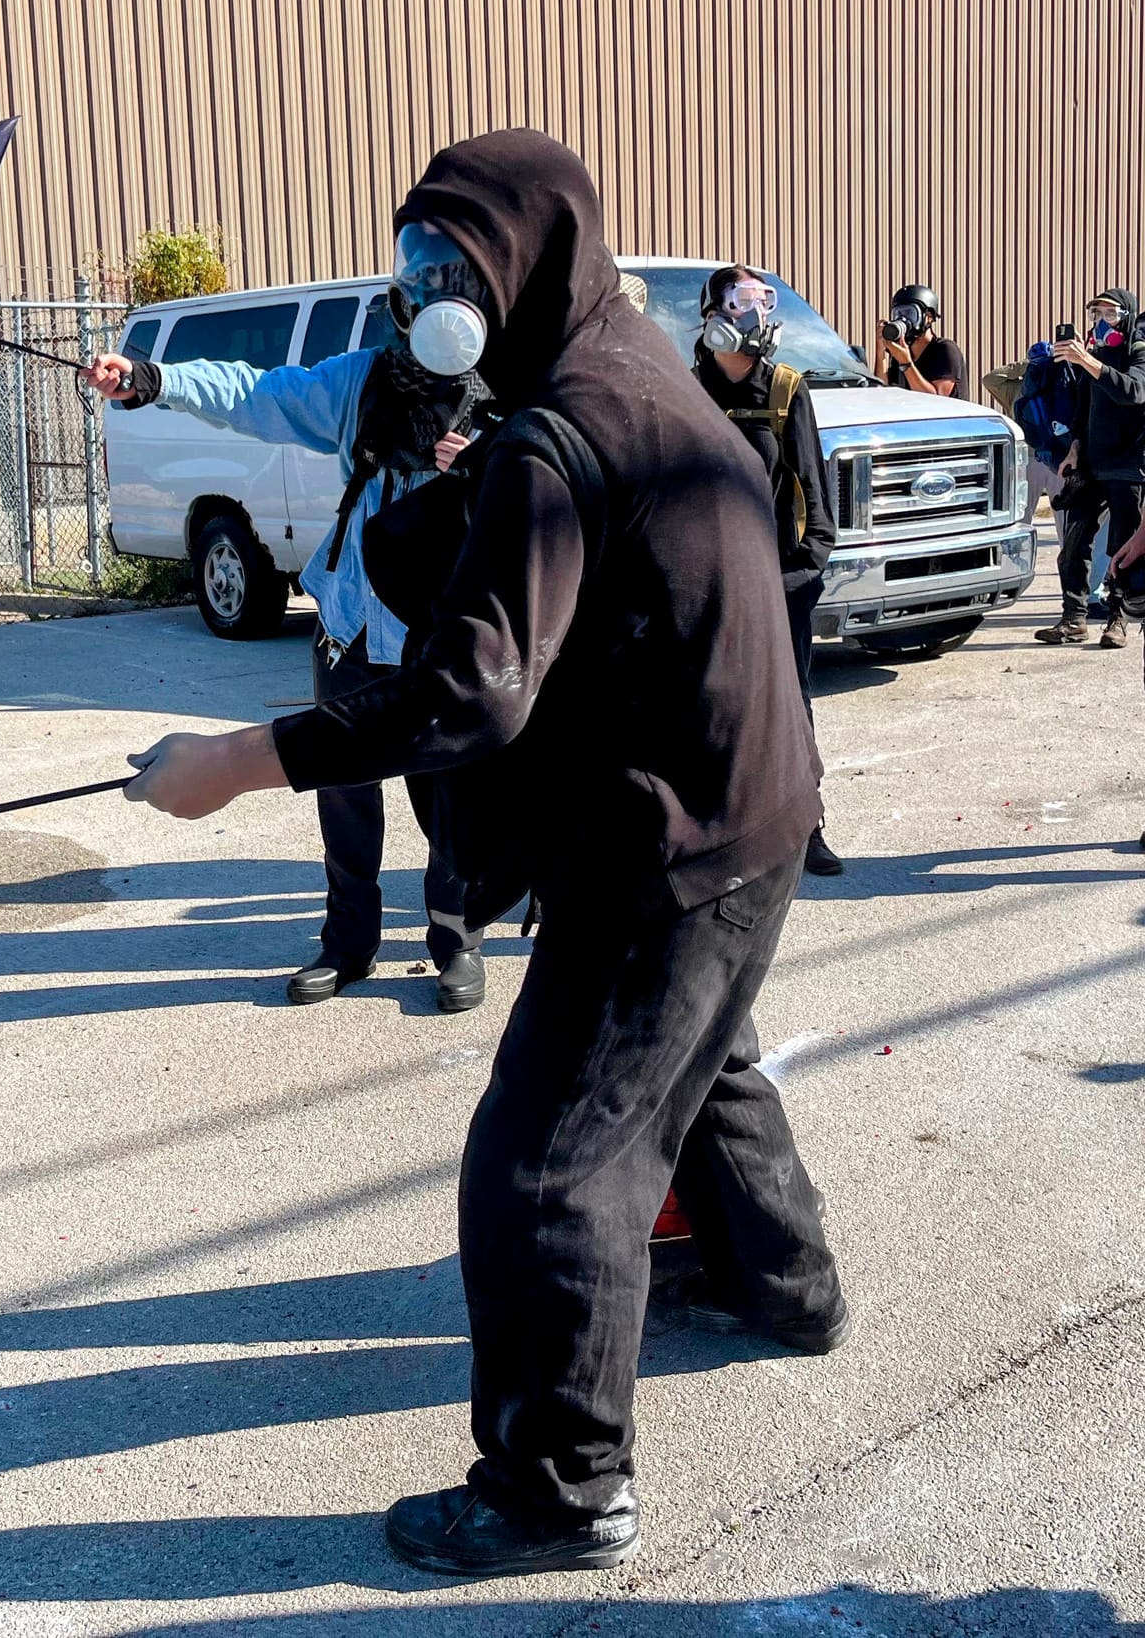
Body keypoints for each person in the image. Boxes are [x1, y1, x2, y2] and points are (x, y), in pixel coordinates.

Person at [98, 130, 846, 1581]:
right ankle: (789, 1286)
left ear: (525, 261)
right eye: (413, 265)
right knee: (709, 1066)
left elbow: (470, 696)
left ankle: (558, 1492)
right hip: (755, 810)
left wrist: (239, 765)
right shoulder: (636, 371)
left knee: (547, 1167)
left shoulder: (561, 432)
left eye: (450, 267)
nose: (427, 292)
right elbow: (542, 563)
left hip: (667, 845)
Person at [83, 262, 495, 1014]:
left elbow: (566, 493)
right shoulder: (361, 382)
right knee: (341, 791)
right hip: (351, 621)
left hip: (442, 634)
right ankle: (348, 944)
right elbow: (255, 393)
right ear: (402, 309)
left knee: (451, 800)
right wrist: (150, 378)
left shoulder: (509, 396)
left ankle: (456, 941)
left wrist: (489, 469)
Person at [692, 265, 844, 876]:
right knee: (708, 706)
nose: (756, 316)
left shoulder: (784, 388)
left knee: (789, 704)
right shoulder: (687, 391)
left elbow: (812, 491)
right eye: (743, 303)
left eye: (763, 302)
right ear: (714, 318)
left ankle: (806, 828)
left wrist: (804, 571)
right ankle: (714, 835)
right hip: (708, 583)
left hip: (779, 580)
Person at [1037, 290, 1145, 648]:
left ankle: (1119, 620)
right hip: (1092, 463)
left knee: (1123, 547)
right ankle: (1073, 619)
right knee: (1074, 543)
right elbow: (1084, 407)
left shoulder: (1137, 349)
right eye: (1095, 313)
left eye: (1110, 314)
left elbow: (1133, 391)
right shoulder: (1093, 357)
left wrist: (1088, 362)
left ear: (1126, 316)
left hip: (1129, 464)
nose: (1101, 322)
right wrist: (1075, 448)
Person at [878, 283, 966, 399]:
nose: (903, 319)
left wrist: (906, 364)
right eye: (898, 313)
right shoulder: (901, 354)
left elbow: (937, 400)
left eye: (910, 313)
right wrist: (881, 351)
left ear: (928, 317)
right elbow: (882, 393)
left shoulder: (945, 350)